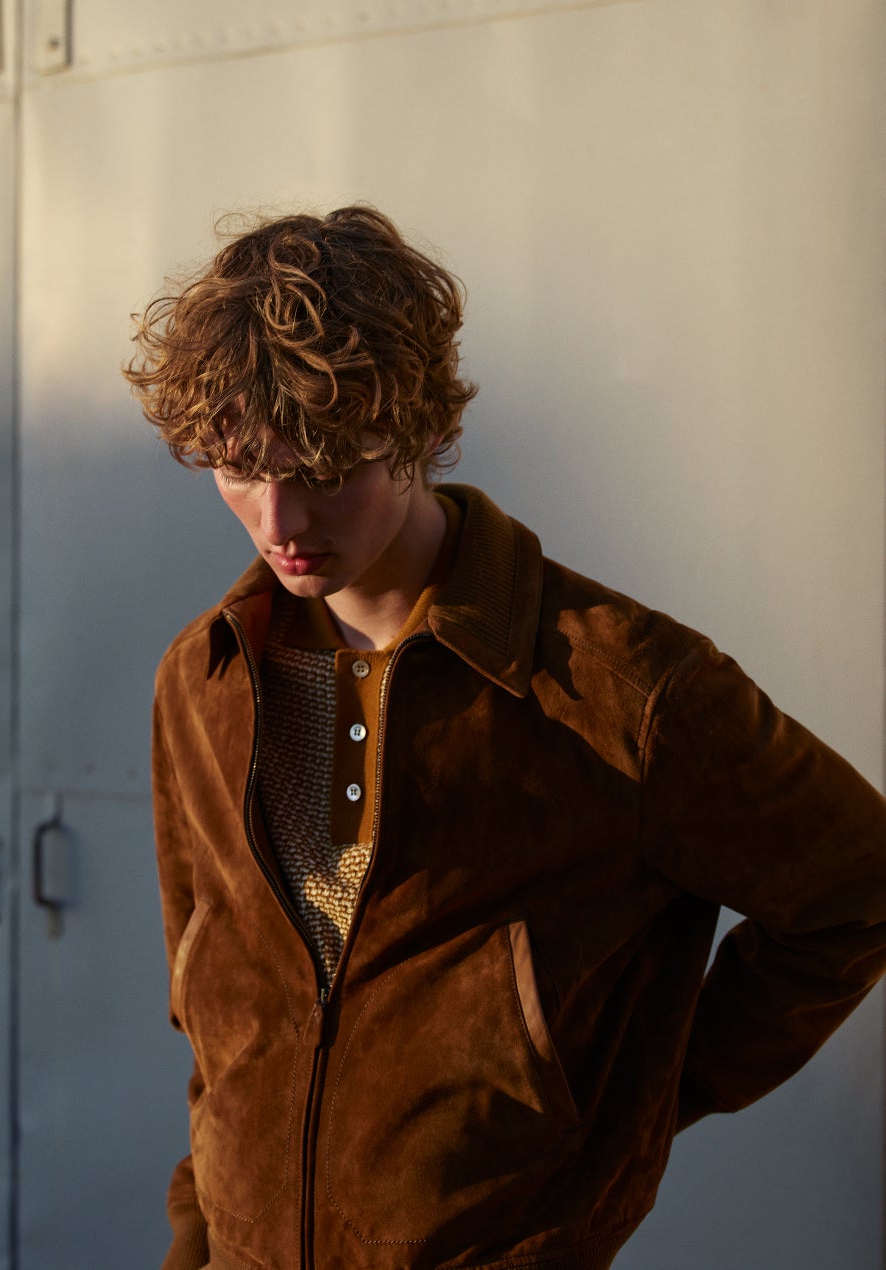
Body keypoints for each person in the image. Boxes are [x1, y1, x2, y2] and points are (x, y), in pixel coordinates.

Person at [124, 205, 886, 1270]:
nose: (279, 522)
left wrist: (618, 1110)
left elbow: (854, 886)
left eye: (326, 469)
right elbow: (215, 1026)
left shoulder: (619, 688)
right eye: (240, 467)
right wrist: (195, 1243)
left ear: (416, 429)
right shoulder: (203, 678)